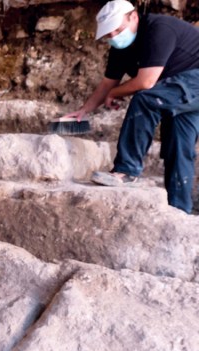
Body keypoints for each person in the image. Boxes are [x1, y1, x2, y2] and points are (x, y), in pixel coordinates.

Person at [64, 0, 199, 213]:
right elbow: (108, 83)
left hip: (193, 78)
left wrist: (114, 93)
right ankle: (180, 211)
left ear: (134, 17)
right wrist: (85, 109)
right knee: (178, 144)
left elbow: (146, 82)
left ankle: (126, 171)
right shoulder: (122, 47)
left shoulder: (159, 30)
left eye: (118, 29)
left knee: (144, 99)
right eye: (109, 35)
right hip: (182, 90)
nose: (115, 37)